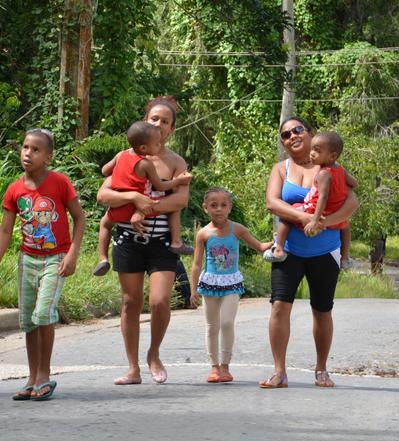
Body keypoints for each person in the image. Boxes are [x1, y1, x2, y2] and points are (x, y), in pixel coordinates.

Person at [96, 96, 190, 385]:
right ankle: (132, 367)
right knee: (130, 302)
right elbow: (103, 195)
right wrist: (135, 198)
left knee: (161, 301)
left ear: (172, 129)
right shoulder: (127, 157)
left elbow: (181, 199)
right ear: (145, 121)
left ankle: (154, 353)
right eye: (154, 119)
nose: (159, 124)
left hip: (161, 241)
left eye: (165, 121)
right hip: (127, 239)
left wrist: (145, 208)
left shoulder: (175, 162)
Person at [260, 116, 359, 389]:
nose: (292, 135)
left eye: (297, 129)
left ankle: (321, 370)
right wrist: (303, 217)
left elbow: (353, 201)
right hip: (289, 250)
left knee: (322, 310)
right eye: (285, 134)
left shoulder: (330, 166)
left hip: (325, 250)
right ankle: (279, 372)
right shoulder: (281, 168)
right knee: (279, 306)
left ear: (310, 133)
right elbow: (272, 202)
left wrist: (323, 221)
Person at [0, 128, 85, 401]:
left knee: (43, 315)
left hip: (55, 258)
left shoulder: (60, 183)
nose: (28, 153)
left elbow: (80, 218)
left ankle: (44, 374)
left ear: (48, 157)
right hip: (27, 259)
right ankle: (31, 378)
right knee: (29, 321)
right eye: (26, 147)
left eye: (36, 149)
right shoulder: (15, 189)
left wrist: (73, 253)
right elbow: (5, 231)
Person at [190, 188, 272, 383]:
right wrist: (193, 290)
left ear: (230, 208)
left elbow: (259, 246)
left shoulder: (237, 229)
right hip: (210, 283)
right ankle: (214, 367)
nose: (218, 209)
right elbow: (196, 263)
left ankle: (225, 366)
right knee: (211, 326)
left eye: (223, 205)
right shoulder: (203, 234)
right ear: (205, 208)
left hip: (232, 282)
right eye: (213, 205)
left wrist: (279, 240)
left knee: (226, 322)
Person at [93, 121, 193, 276]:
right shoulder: (146, 164)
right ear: (144, 148)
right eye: (157, 144)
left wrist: (121, 174)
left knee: (105, 223)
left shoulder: (121, 155)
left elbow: (105, 170)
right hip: (140, 209)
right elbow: (160, 186)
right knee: (174, 211)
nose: (159, 146)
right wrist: (179, 181)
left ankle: (103, 258)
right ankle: (176, 241)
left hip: (118, 209)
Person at [264, 131, 357, 264]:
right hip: (332, 213)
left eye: (297, 130)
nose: (312, 153)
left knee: (287, 214)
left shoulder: (323, 173)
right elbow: (354, 184)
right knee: (345, 226)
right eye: (285, 135)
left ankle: (278, 248)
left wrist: (315, 220)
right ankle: (345, 258)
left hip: (315, 212)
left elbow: (323, 198)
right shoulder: (340, 170)